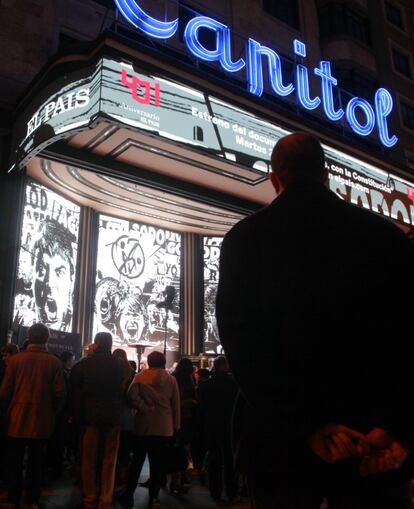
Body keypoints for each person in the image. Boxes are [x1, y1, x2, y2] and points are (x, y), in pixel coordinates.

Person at [216, 132, 414, 509]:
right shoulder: (387, 239)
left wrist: (305, 425)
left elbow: (242, 345)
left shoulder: (244, 240)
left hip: (281, 446)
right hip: (371, 445)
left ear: (275, 180)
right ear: (326, 177)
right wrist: (396, 428)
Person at [0, 323, 66, 508]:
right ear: (47, 338)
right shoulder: (53, 362)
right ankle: (32, 500)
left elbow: (4, 392)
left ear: (29, 336)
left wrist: (8, 412)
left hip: (16, 419)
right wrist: (52, 413)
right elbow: (60, 394)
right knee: (36, 462)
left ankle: (12, 498)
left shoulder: (15, 360)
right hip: (41, 419)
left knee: (14, 460)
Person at [70, 332, 130, 509]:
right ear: (110, 345)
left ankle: (89, 497)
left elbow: (76, 393)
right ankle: (106, 498)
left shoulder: (83, 365)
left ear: (95, 344)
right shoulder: (122, 366)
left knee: (88, 458)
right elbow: (125, 390)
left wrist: (76, 415)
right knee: (110, 459)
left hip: (90, 417)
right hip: (114, 416)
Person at [120, 351, 180, 509]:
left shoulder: (140, 377)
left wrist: (144, 407)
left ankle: (128, 495)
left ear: (149, 362)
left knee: (137, 462)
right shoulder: (171, 379)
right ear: (163, 362)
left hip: (143, 425)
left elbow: (131, 396)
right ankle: (153, 498)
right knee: (157, 464)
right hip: (164, 426)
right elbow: (176, 405)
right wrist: (176, 425)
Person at [198, 356, 239, 503]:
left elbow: (201, 409)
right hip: (229, 426)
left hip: (211, 426)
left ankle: (215, 492)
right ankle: (232, 492)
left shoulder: (205, 385)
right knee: (229, 460)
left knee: (214, 460)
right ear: (225, 366)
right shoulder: (233, 384)